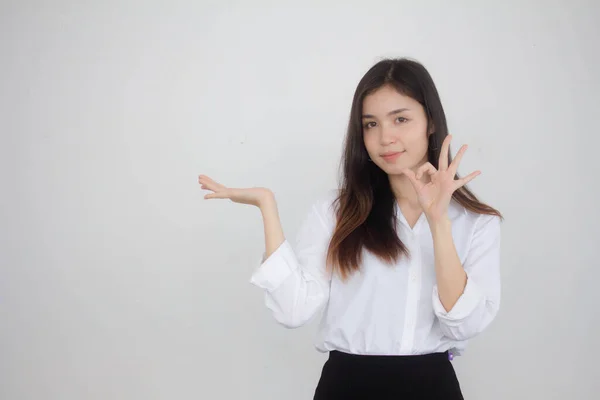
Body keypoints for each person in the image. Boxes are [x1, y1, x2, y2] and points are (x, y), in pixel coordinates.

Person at [198, 58, 502, 399]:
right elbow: (294, 310)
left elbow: (464, 324)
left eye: (400, 119)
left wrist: (438, 222)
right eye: (370, 124)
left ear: (430, 122)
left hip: (432, 386)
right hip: (347, 386)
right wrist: (267, 206)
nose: (385, 137)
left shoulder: (476, 222)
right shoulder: (336, 212)